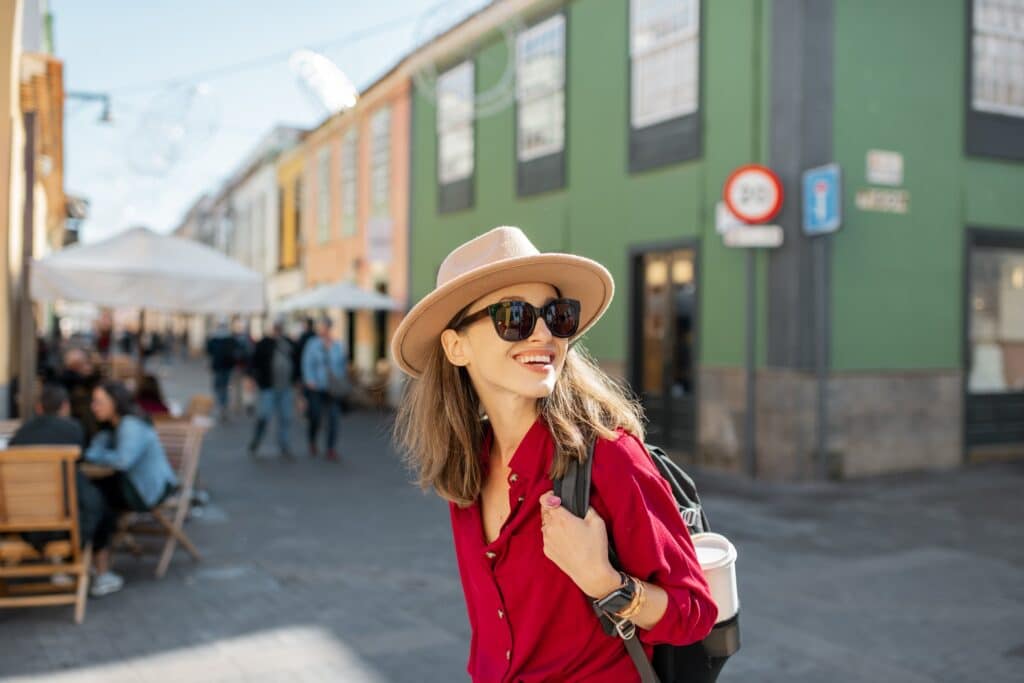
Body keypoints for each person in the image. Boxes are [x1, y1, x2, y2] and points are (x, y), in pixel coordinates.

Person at [391, 227, 717, 682]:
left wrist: (606, 583)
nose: (543, 333)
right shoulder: (466, 465)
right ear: (456, 346)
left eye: (557, 315)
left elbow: (695, 611)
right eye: (514, 316)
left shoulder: (609, 455)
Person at [84, 381, 179, 597]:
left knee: (97, 501)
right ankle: (97, 566)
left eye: (99, 402)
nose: (93, 407)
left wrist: (98, 455)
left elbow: (121, 461)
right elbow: (94, 452)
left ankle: (95, 565)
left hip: (148, 490)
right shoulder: (111, 426)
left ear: (115, 403)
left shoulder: (130, 425)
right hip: (129, 485)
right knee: (94, 496)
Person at [9, 384, 108, 572]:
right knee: (96, 503)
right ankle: (91, 568)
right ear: (65, 406)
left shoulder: (22, 433)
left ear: (39, 408)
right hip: (62, 520)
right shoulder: (73, 429)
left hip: (22, 520)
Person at [248, 319, 298, 459]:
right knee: (264, 415)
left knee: (286, 417)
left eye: (279, 327)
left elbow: (296, 361)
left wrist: (297, 381)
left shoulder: (288, 343)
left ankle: (284, 445)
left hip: (286, 388)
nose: (278, 330)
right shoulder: (264, 343)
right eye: (276, 327)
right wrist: (252, 378)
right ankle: (256, 440)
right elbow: (254, 362)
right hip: (268, 387)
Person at [301, 317, 346, 462]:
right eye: (322, 327)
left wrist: (340, 380)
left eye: (326, 326)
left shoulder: (337, 345)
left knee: (333, 418)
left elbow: (341, 365)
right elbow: (307, 363)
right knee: (315, 416)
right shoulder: (313, 344)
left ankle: (330, 448)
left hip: (332, 389)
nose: (324, 329)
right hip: (316, 387)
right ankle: (312, 439)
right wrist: (309, 380)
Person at [59, 348, 101, 441]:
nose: (86, 367)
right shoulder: (69, 379)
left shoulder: (89, 380)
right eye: (82, 364)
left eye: (87, 363)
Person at [205, 319, 239, 420]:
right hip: (226, 366)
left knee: (219, 387)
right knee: (224, 387)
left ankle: (221, 405)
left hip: (220, 366)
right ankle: (223, 405)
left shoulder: (215, 338)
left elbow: (209, 350)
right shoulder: (230, 338)